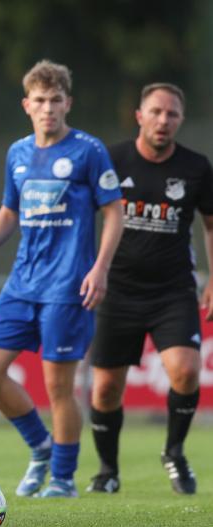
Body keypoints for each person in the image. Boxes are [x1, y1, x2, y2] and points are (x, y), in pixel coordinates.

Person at [0, 60, 124, 498]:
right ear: (26, 105)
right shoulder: (18, 153)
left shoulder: (88, 151)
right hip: (22, 284)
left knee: (58, 387)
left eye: (55, 100)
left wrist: (100, 267)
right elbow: (9, 211)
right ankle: (41, 446)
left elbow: (114, 211)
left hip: (68, 287)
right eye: (40, 101)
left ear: (68, 103)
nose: (48, 108)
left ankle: (64, 479)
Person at [87, 83, 213, 495]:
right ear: (140, 115)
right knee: (105, 388)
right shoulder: (111, 160)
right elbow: (84, 215)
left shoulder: (196, 167)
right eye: (156, 112)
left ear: (180, 119)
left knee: (187, 371)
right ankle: (108, 471)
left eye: (172, 114)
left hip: (172, 290)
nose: (163, 120)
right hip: (116, 290)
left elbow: (210, 223)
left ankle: (174, 451)